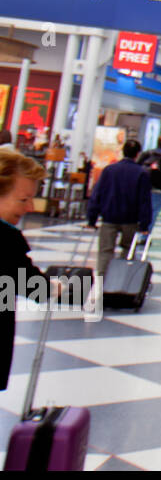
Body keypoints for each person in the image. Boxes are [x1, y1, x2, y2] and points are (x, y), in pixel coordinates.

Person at [0, 150, 60, 392]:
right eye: (23, 200)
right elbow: (35, 288)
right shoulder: (5, 240)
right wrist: (61, 288)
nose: (30, 207)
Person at [86, 138, 152, 277]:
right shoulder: (142, 173)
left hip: (109, 217)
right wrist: (145, 225)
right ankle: (121, 277)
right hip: (130, 220)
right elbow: (144, 201)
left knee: (105, 251)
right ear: (137, 154)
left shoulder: (109, 170)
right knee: (128, 249)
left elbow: (97, 194)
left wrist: (92, 218)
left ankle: (103, 278)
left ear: (122, 151)